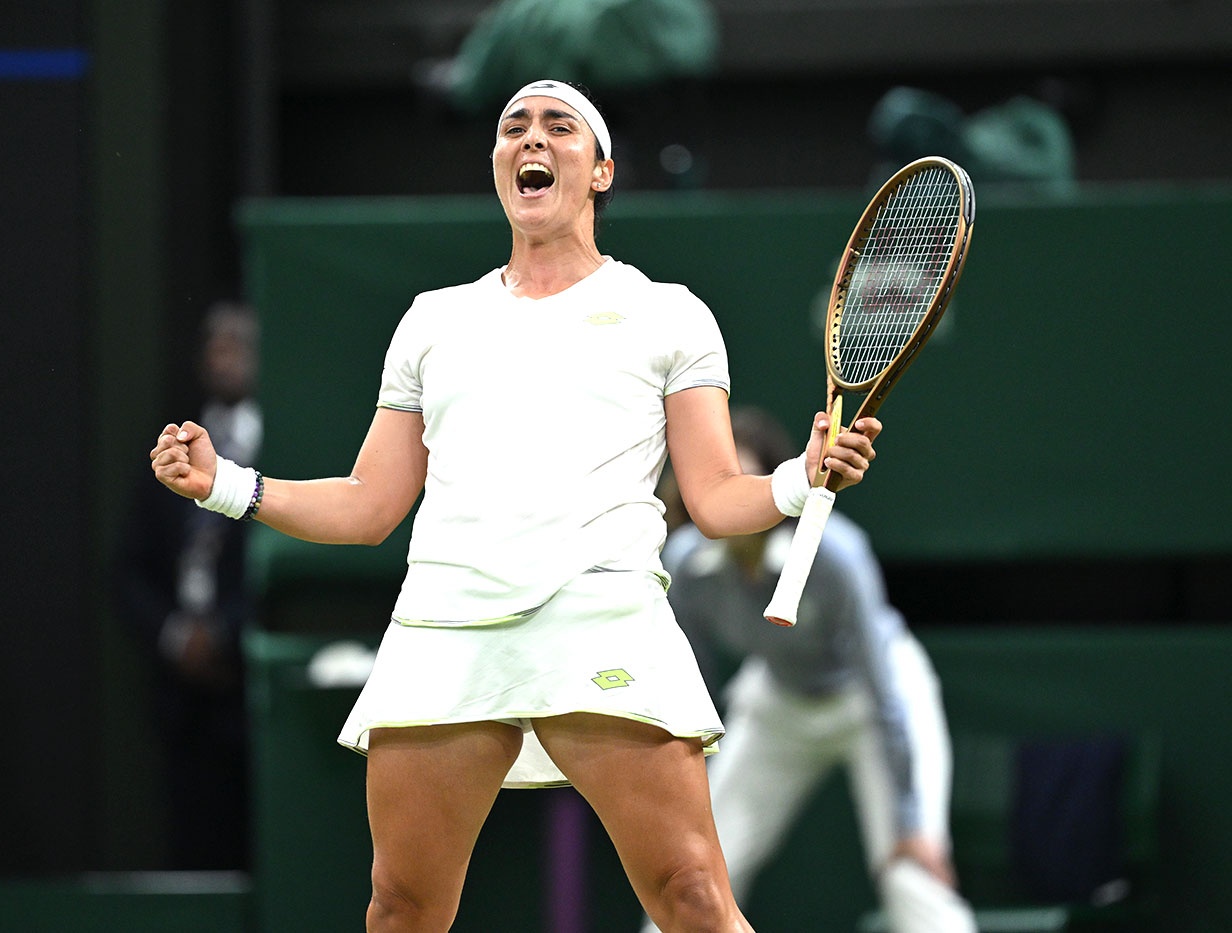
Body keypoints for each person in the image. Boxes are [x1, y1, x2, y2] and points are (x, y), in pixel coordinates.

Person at [149, 79, 882, 932]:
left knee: (692, 897)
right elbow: (366, 505)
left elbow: (716, 498)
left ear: (601, 170)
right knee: (400, 909)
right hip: (447, 625)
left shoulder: (669, 316)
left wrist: (801, 476)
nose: (530, 139)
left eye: (558, 127)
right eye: (512, 128)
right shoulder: (433, 321)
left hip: (601, 616)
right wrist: (225, 484)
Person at [643, 406, 976, 933]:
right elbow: (695, 680)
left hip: (873, 698)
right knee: (696, 868)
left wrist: (911, 824)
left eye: (748, 479)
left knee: (911, 870)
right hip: (778, 699)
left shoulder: (838, 555)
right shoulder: (687, 566)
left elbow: (883, 688)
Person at [116, 301, 261, 871]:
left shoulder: (284, 446)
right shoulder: (170, 447)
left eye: (238, 344)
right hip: (179, 696)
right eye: (214, 343)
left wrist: (227, 634)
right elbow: (128, 565)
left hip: (252, 687)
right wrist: (178, 637)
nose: (223, 356)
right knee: (192, 844)